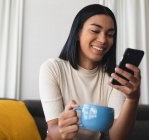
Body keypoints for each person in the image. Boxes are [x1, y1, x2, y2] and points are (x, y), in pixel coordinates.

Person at [39, 4, 141, 140]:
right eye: (95, 30)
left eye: (110, 34)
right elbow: (52, 132)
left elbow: (117, 137)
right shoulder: (53, 68)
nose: (103, 40)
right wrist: (63, 129)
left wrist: (132, 99)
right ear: (77, 33)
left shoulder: (115, 77)